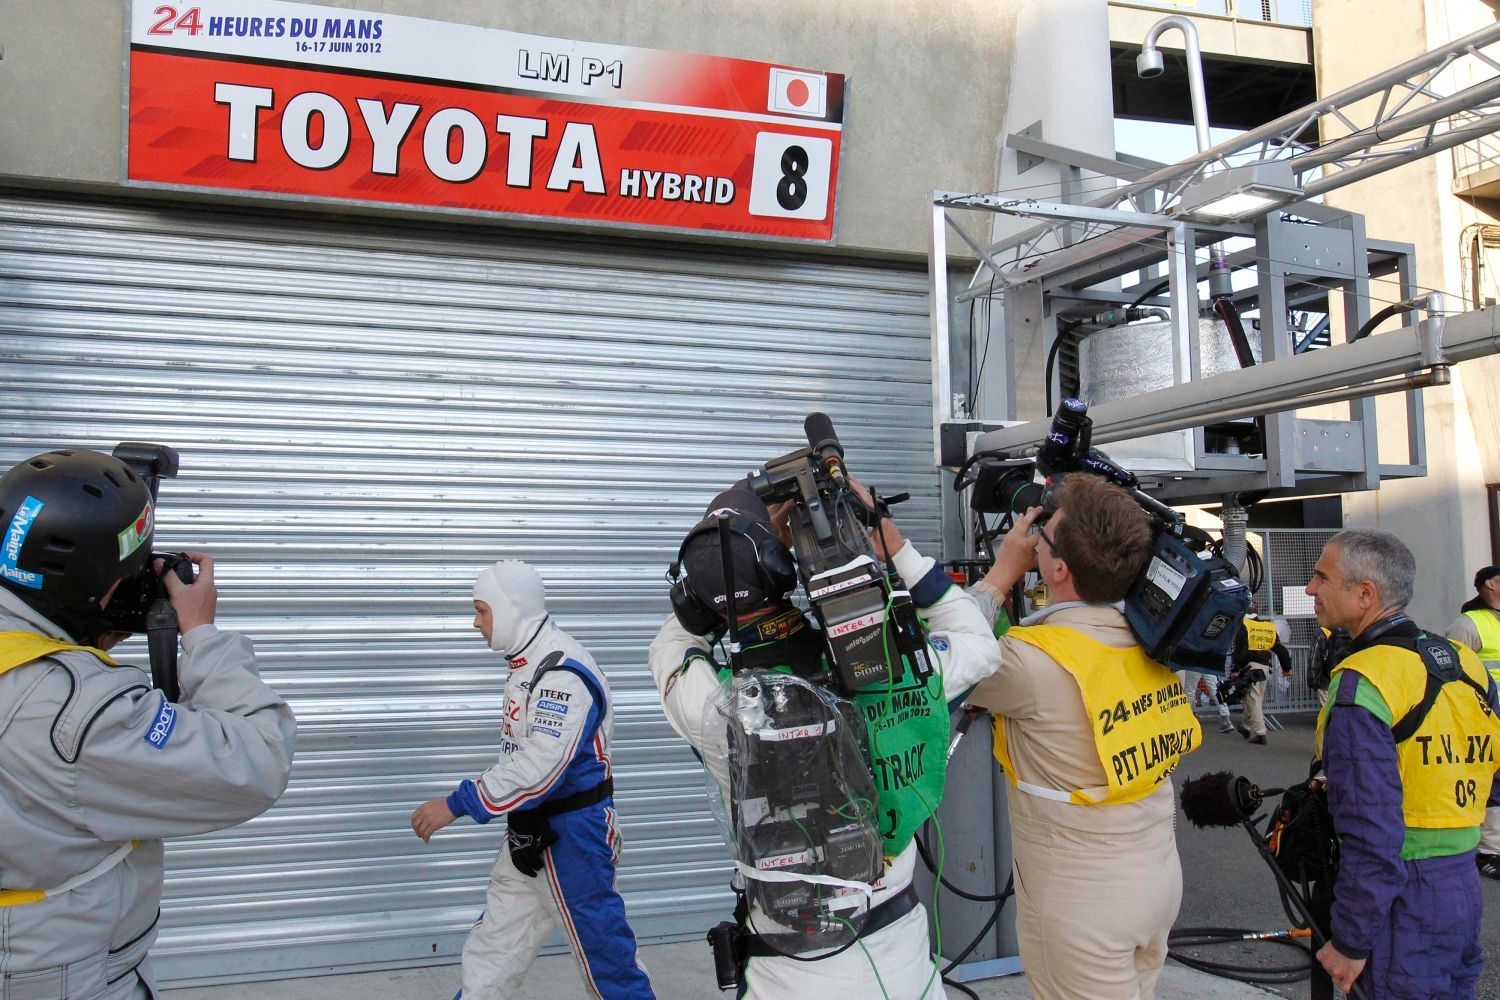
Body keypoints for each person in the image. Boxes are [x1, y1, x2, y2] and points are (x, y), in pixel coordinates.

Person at [648, 483, 1001, 998]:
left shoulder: (713, 703)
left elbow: (673, 642)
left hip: (784, 973)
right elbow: (976, 642)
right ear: (780, 568)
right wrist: (894, 548)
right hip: (896, 964)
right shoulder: (895, 671)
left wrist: (723, 564)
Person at [0, 448, 296, 999]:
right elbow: (256, 760)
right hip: (58, 970)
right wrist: (202, 636)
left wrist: (79, 632)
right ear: (94, 587)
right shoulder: (79, 709)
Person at [965, 474, 1200, 1000]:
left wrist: (1001, 573)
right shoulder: (1157, 643)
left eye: (1044, 533)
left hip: (1081, 903)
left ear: (1058, 567)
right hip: (1158, 879)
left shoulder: (1030, 662)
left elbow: (948, 659)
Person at [410, 560, 653, 1000]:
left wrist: (458, 803)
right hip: (529, 831)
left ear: (509, 608)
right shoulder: (529, 661)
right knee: (493, 947)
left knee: (606, 959)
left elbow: (541, 766)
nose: (475, 623)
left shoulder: (563, 673)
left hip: (574, 837)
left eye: (482, 611)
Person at [1308, 529, 1500, 998]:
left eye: (1321, 576)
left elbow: (1371, 828)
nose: (1311, 589)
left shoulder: (1366, 679)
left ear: (1365, 594)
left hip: (1401, 898)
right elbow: (1492, 777)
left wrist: (1351, 939)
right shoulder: (1462, 661)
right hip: (1461, 885)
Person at [1445, 564, 1500, 881]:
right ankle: (1490, 851)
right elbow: (1455, 673)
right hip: (1487, 718)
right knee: (1494, 782)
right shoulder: (1468, 624)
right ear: (1490, 584)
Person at [1226, 611, 1293, 745]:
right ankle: (1246, 727)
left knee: (1252, 699)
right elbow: (1280, 649)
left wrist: (1235, 669)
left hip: (1250, 667)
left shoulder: (1243, 627)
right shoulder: (1266, 627)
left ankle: (1260, 733)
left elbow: (1240, 650)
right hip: (1264, 667)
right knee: (1250, 697)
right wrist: (1287, 667)